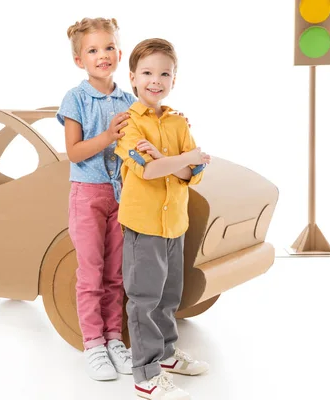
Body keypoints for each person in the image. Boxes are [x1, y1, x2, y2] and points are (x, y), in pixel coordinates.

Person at [114, 38, 211, 400]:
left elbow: (196, 171)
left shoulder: (176, 121)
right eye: (148, 73)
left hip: (175, 224)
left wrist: (173, 160)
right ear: (133, 78)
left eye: (165, 73)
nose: (156, 80)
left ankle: (167, 356)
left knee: (169, 294)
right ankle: (146, 375)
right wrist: (177, 160)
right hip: (144, 226)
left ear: (174, 78)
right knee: (144, 298)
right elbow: (147, 171)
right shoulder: (128, 125)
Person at [56, 17, 134, 381]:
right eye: (92, 50)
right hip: (87, 194)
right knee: (91, 274)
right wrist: (107, 136)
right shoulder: (76, 98)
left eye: (108, 48)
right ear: (79, 60)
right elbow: (73, 152)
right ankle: (94, 344)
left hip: (122, 195)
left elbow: (137, 147)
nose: (101, 55)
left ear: (119, 53)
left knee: (115, 274)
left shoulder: (129, 100)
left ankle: (114, 338)